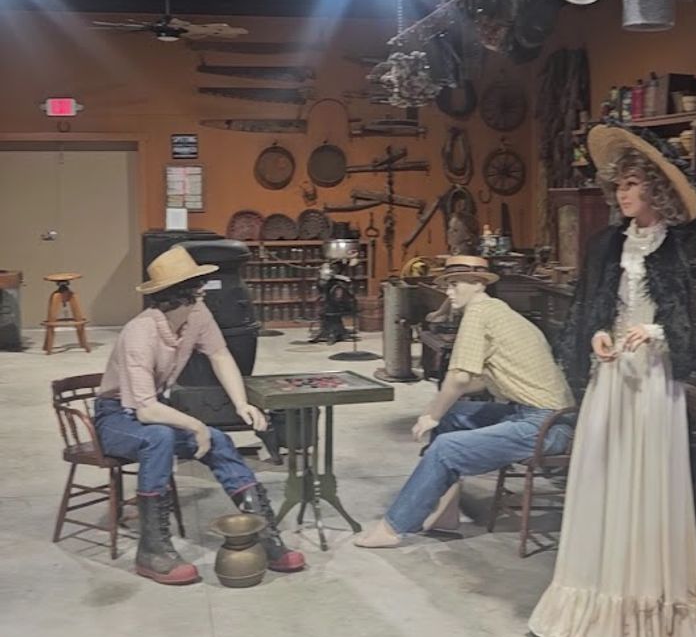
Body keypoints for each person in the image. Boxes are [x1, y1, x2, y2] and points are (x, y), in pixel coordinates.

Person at [529, 124, 696, 637]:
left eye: (631, 186)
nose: (621, 195)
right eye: (617, 186)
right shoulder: (606, 244)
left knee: (647, 481)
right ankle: (594, 599)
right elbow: (590, 308)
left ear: (656, 191)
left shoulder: (688, 250)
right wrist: (597, 334)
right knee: (601, 472)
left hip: (653, 380)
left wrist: (661, 332)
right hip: (612, 378)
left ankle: (645, 609)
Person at [94, 244, 305, 585]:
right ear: (181, 296)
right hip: (116, 417)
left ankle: (265, 535)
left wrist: (241, 404)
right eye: (197, 288)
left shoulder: (197, 316)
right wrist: (196, 426)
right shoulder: (140, 332)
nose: (204, 292)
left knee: (219, 440)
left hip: (151, 413)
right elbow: (146, 410)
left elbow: (220, 355)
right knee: (160, 437)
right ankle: (152, 550)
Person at [356, 255, 574, 549]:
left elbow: (459, 379)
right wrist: (441, 410)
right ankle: (446, 512)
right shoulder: (496, 311)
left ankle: (395, 527)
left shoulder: (479, 314)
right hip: (534, 414)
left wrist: (431, 415)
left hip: (546, 426)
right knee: (454, 415)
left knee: (446, 448)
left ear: (477, 284)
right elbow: (483, 380)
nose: (448, 291)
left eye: (454, 284)